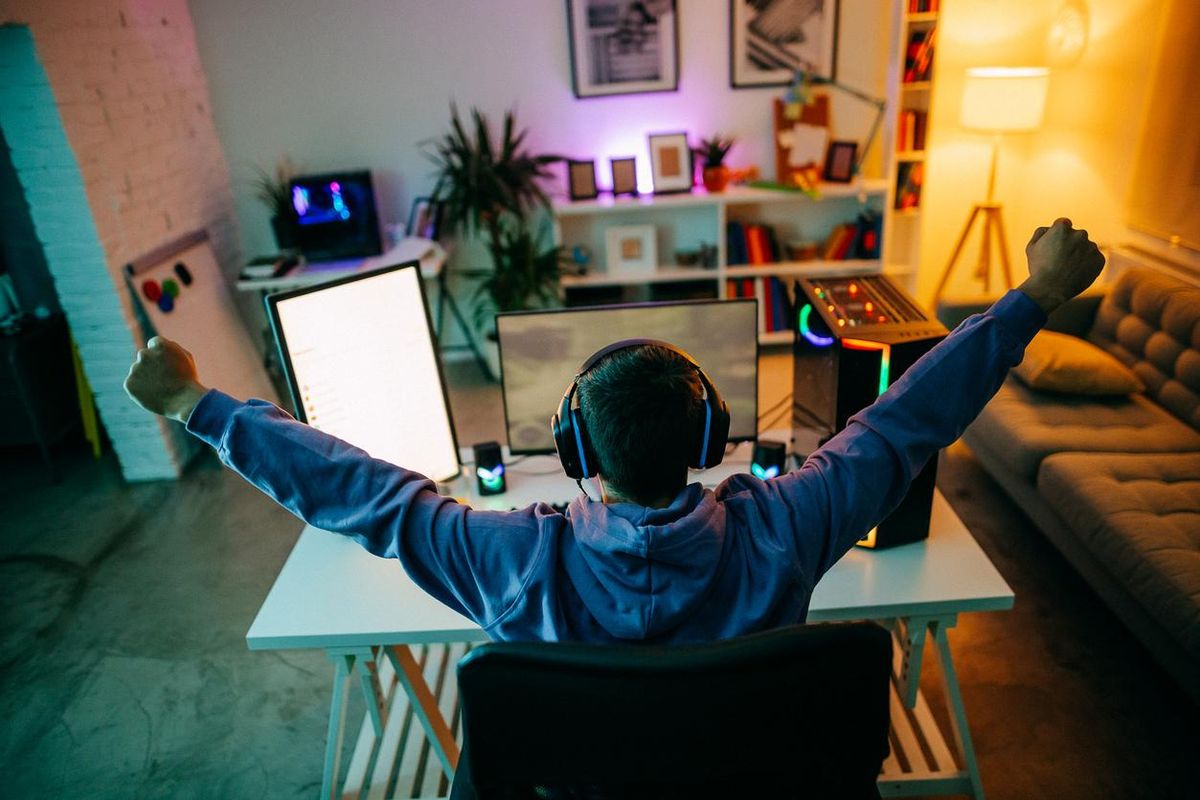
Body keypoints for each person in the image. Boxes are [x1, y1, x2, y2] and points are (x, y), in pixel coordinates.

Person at [125, 219, 1104, 644]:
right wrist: (1032, 298)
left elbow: (362, 494)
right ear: (712, 433)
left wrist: (201, 407)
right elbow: (902, 425)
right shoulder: (791, 525)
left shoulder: (499, 553)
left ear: (577, 451)